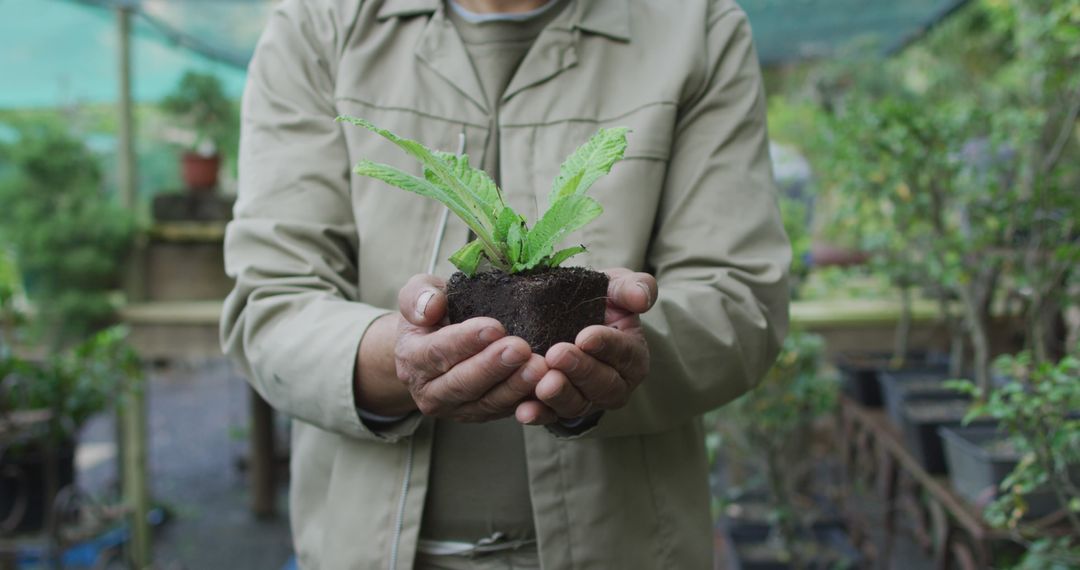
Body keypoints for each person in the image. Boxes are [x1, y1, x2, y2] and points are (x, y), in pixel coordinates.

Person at [221, 0, 790, 568]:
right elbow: (271, 304)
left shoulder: (694, 25)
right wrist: (397, 357)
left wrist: (620, 348)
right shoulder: (320, 22)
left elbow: (740, 298)